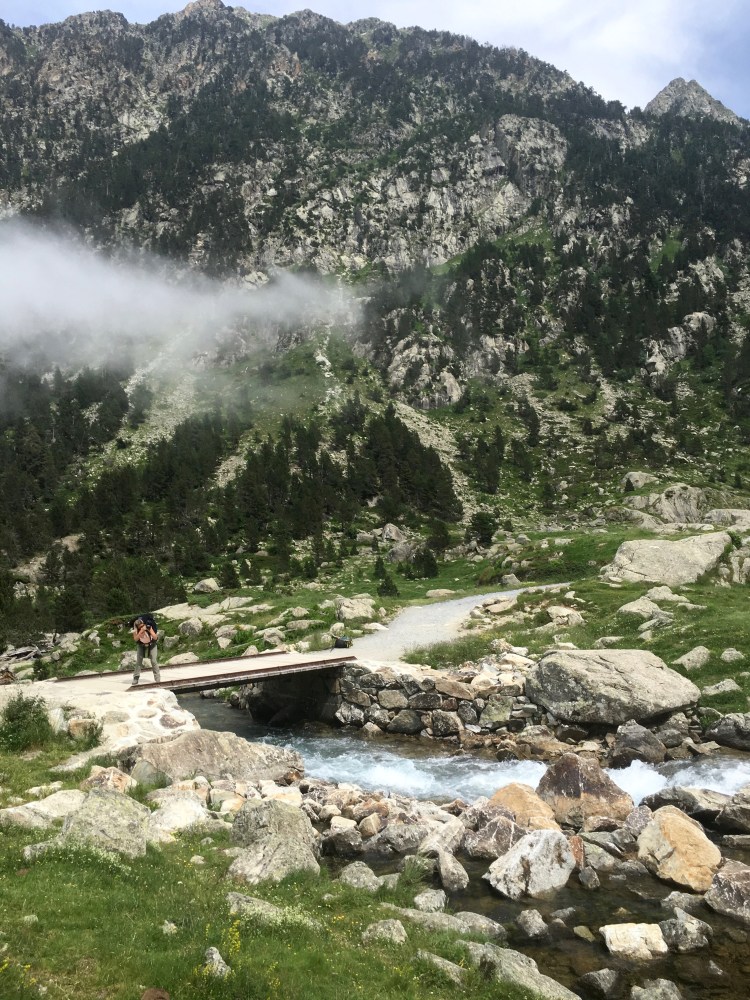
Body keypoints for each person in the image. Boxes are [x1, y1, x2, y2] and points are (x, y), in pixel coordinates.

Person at [131, 617, 160, 685]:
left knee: (153, 660)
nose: (142, 627)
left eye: (142, 626)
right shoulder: (135, 630)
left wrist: (149, 630)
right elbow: (135, 639)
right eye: (140, 627)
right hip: (141, 645)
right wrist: (141, 631)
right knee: (139, 661)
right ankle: (136, 678)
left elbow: (155, 637)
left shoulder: (149, 627)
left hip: (152, 644)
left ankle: (157, 679)